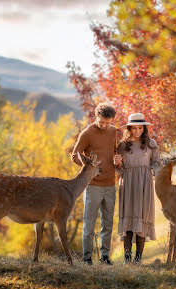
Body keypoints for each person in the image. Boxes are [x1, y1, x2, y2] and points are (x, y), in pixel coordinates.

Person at [71, 103, 117, 265]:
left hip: (111, 184)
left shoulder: (113, 131)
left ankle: (105, 257)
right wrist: (89, 170)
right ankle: (87, 258)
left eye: (108, 122)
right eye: (101, 122)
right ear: (96, 117)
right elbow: (75, 156)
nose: (104, 125)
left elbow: (115, 152)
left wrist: (118, 160)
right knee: (89, 222)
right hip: (93, 186)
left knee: (108, 222)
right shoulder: (87, 133)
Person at [114, 113, 159, 264]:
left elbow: (156, 163)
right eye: (134, 128)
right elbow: (119, 170)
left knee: (142, 219)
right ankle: (127, 258)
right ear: (129, 128)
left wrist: (150, 172)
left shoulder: (151, 144)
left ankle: (138, 259)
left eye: (140, 128)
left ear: (144, 128)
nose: (137, 131)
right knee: (128, 220)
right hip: (127, 183)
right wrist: (118, 164)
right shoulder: (121, 145)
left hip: (144, 184)